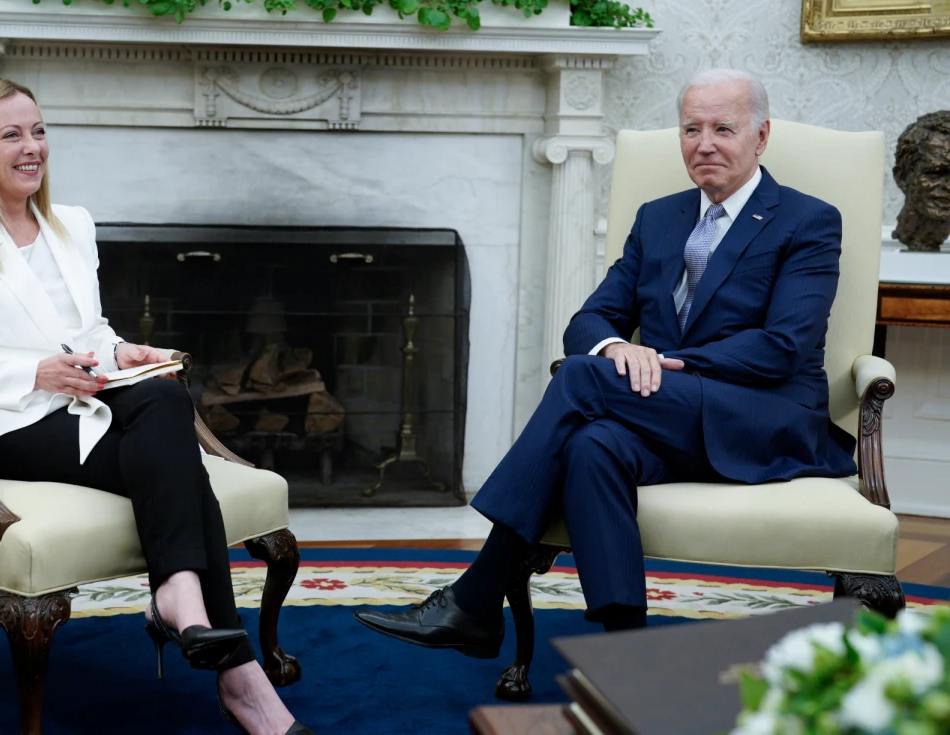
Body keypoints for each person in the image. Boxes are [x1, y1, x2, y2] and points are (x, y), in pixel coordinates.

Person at [356, 68, 858, 652]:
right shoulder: (658, 218)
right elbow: (589, 321)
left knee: (580, 379)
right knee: (591, 445)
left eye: (723, 129)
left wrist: (663, 363)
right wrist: (617, 347)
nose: (704, 144)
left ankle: (475, 597)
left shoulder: (807, 219)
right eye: (691, 129)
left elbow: (783, 345)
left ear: (761, 136)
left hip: (764, 417)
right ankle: (628, 652)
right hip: (673, 417)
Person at [0, 78, 311, 735]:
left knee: (163, 394)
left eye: (39, 131)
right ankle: (236, 675)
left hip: (77, 407)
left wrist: (122, 352)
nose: (33, 147)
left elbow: (87, 333)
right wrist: (35, 371)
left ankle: (185, 604)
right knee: (181, 463)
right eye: (12, 135)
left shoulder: (71, 225)